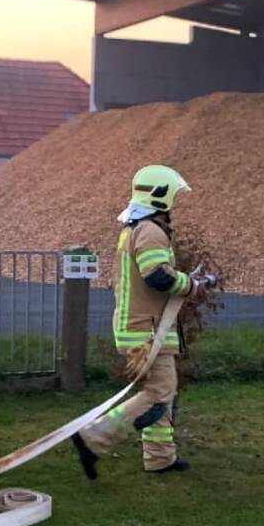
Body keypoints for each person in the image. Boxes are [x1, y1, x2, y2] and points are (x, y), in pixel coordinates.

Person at [72, 165, 215, 478]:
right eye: (173, 196)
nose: (174, 204)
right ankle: (92, 439)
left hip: (142, 328)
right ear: (161, 196)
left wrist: (188, 282)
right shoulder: (150, 230)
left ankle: (160, 458)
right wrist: (193, 285)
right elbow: (158, 277)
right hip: (147, 331)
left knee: (161, 391)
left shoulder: (135, 229)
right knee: (159, 393)